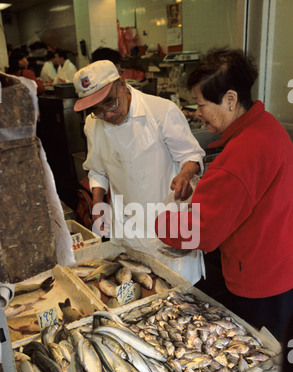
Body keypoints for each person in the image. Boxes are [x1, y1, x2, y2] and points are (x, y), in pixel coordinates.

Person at [155, 47, 293, 342]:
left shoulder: (242, 153)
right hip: (282, 266)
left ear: (231, 99)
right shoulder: (268, 126)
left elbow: (200, 233)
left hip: (259, 282)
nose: (198, 113)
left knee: (264, 358)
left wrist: (158, 222)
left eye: (201, 104)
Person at [72, 60, 205, 283]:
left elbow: (191, 155)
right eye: (97, 110)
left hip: (168, 223)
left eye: (111, 103)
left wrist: (185, 174)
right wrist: (97, 202)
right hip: (128, 226)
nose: (108, 115)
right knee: (138, 292)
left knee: (179, 294)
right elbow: (97, 170)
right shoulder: (92, 125)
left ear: (122, 84)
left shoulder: (160, 110)